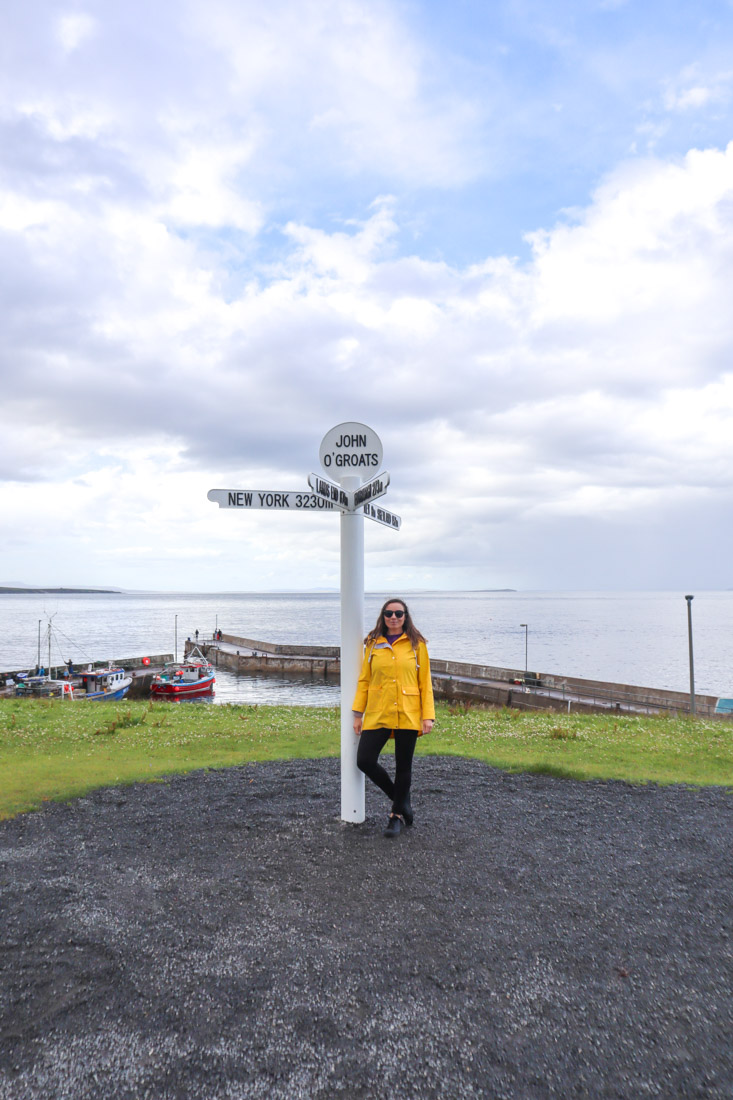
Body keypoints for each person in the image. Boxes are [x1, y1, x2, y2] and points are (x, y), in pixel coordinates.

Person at [352, 598, 435, 837]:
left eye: (399, 613)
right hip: (379, 711)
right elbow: (364, 680)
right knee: (364, 760)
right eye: (389, 613)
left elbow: (425, 682)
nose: (394, 617)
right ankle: (401, 799)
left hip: (409, 712)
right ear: (383, 616)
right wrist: (358, 714)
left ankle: (396, 816)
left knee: (403, 766)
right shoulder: (372, 643)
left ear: (406, 616)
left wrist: (427, 716)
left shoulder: (417, 644)